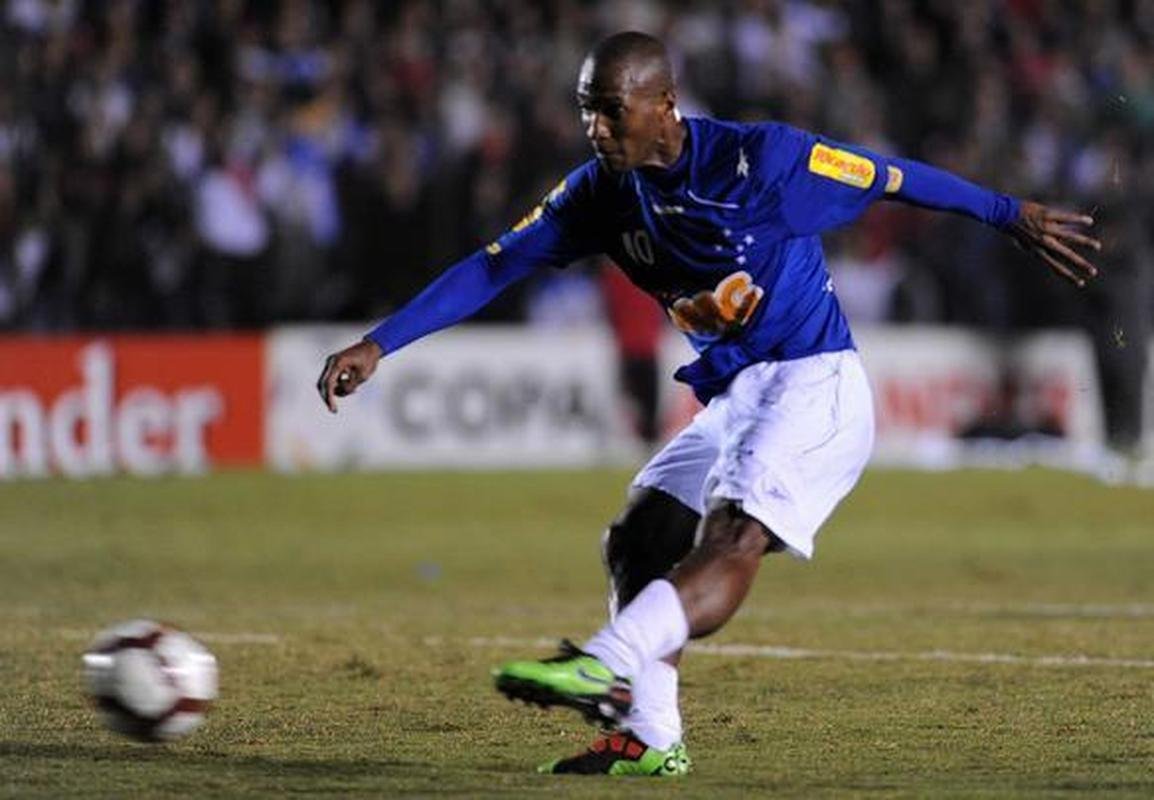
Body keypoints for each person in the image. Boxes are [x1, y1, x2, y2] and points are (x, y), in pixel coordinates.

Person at [316, 32, 1100, 777]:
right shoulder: (599, 193)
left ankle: (608, 661)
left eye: (609, 109)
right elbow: (494, 267)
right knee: (639, 535)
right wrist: (379, 344)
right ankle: (650, 740)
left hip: (813, 381)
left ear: (664, 104)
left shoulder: (764, 162)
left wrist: (1011, 215)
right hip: (736, 393)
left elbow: (890, 174)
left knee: (732, 535)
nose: (594, 127)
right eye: (586, 107)